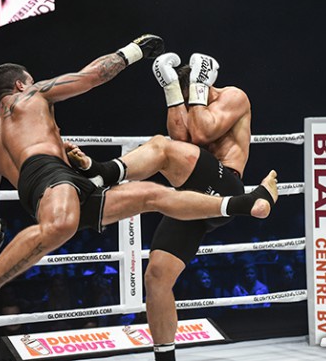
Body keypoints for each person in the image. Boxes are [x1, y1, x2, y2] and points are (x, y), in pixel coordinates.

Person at [0, 35, 277, 343]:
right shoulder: (33, 93)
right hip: (55, 177)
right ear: (21, 83)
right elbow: (93, 76)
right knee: (103, 245)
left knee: (151, 195)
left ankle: (238, 201)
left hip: (54, 187)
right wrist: (133, 51)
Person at [66, 52, 268, 361]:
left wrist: (198, 86)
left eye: (191, 98)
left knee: (159, 145)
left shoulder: (233, 96)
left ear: (204, 86)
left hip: (225, 185)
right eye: (184, 101)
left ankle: (101, 172)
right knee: (156, 277)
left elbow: (201, 133)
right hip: (191, 198)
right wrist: (171, 91)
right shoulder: (191, 102)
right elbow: (182, 139)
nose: (188, 107)